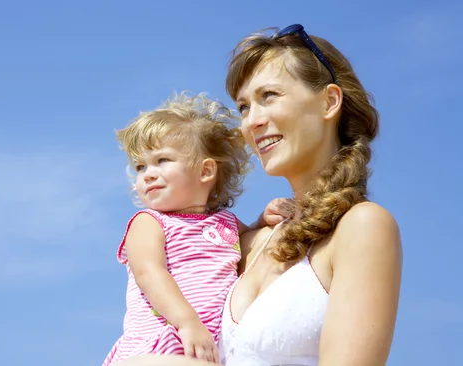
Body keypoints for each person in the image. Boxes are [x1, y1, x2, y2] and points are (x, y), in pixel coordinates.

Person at [114, 24, 403, 366]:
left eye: (268, 97)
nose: (252, 121)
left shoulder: (362, 227)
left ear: (329, 102)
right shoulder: (251, 241)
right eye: (243, 107)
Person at [102, 93, 284, 365]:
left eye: (162, 160)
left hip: (205, 350)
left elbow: (251, 246)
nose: (148, 173)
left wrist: (263, 220)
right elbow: (148, 272)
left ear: (205, 171)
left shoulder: (226, 224)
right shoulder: (149, 222)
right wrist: (187, 322)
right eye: (141, 166)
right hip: (161, 343)